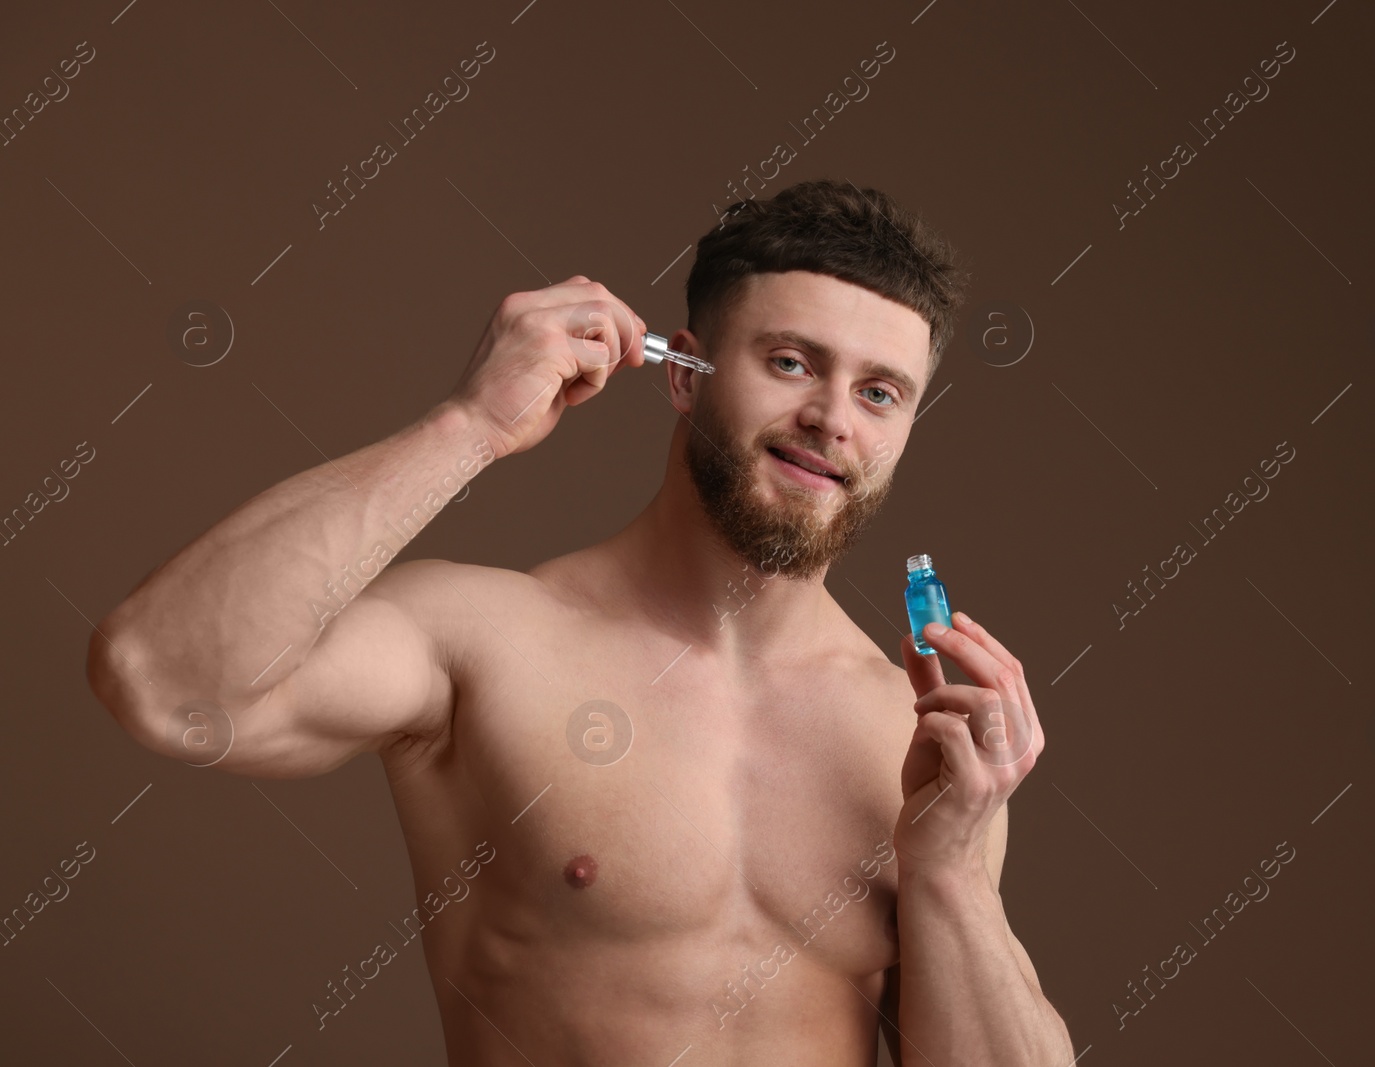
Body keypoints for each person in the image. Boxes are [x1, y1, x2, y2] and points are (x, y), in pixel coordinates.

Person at [86, 179, 1074, 1066]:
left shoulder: (918, 727)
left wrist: (947, 871)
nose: (832, 418)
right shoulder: (488, 640)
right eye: (788, 361)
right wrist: (469, 426)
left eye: (877, 392)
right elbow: (159, 678)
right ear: (684, 373)